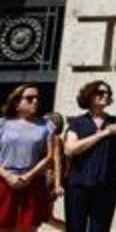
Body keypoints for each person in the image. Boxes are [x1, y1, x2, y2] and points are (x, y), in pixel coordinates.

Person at [64, 79, 116, 232]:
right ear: (90, 96)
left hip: (106, 183)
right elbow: (70, 149)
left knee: (101, 228)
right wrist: (103, 134)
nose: (105, 95)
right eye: (100, 92)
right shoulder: (77, 123)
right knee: (75, 227)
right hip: (78, 183)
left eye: (108, 93)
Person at [0, 84, 54, 231]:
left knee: (29, 227)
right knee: (3, 225)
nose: (35, 101)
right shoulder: (3, 124)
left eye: (37, 98)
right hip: (4, 180)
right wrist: (7, 175)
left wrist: (29, 176)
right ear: (17, 103)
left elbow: (49, 156)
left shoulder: (46, 125)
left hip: (33, 181)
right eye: (30, 98)